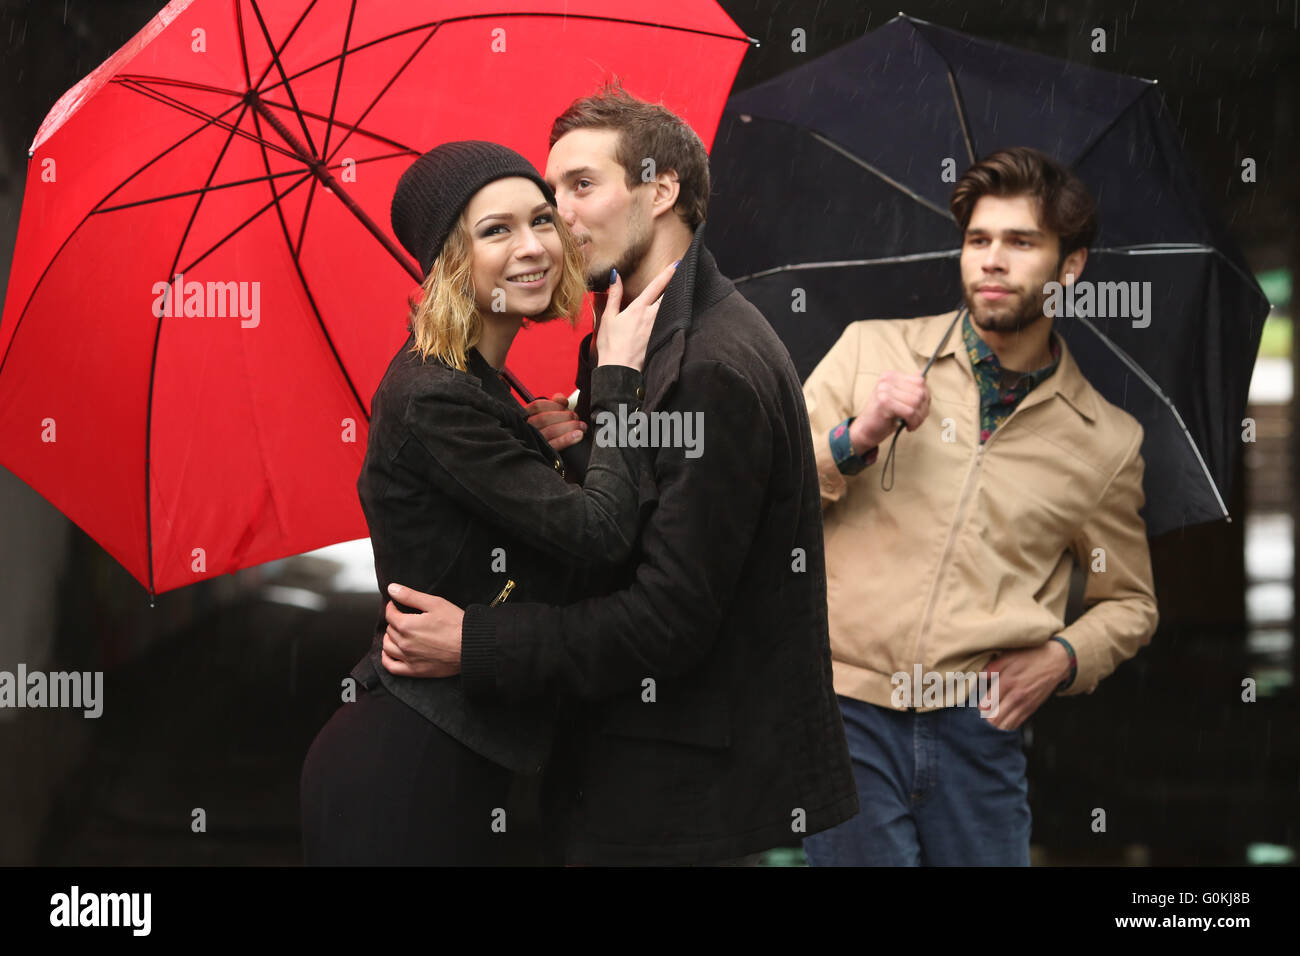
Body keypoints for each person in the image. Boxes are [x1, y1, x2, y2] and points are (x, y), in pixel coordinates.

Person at [378, 81, 859, 866]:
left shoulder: (711, 364)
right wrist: (583, 452)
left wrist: (479, 642)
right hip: (622, 759)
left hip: (675, 784)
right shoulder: (624, 336)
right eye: (550, 190)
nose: (556, 216)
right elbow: (639, 522)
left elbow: (667, 617)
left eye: (580, 186)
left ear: (661, 188)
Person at [299, 141, 675, 865]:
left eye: (541, 220)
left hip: (451, 765)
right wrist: (621, 378)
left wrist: (571, 451)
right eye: (495, 231)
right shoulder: (435, 398)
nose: (533, 247)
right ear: (449, 261)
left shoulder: (476, 387)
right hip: (402, 771)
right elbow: (599, 534)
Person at [799, 146, 1160, 866]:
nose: (991, 260)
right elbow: (764, 496)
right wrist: (855, 438)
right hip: (847, 714)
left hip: (981, 731)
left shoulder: (1107, 441)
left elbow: (1132, 602)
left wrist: (1063, 655)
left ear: (1070, 268)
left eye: (1021, 242)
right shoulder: (871, 354)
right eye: (978, 240)